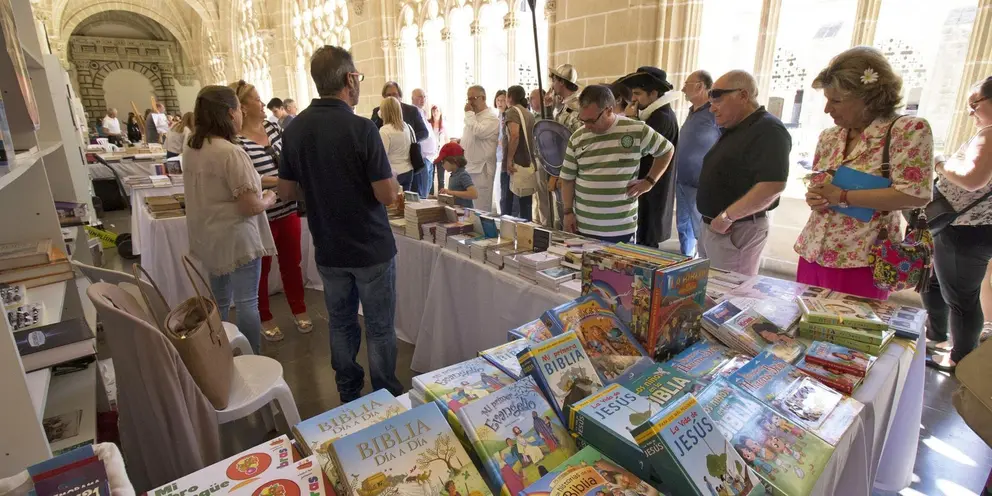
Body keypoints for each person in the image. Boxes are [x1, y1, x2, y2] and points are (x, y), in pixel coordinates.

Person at [278, 45, 403, 401]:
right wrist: (390, 182)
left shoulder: (295, 128)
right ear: (349, 79)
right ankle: (386, 394)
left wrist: (323, 188)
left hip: (329, 246)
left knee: (342, 322)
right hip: (371, 247)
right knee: (379, 327)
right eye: (358, 77)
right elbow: (385, 195)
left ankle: (348, 392)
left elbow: (287, 191)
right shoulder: (362, 128)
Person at [797, 47, 934, 301]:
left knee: (850, 335)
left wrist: (843, 196)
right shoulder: (829, 137)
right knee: (803, 328)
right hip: (813, 251)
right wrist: (816, 197)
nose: (828, 109)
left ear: (868, 98)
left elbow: (916, 195)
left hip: (863, 258)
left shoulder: (907, 130)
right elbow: (820, 184)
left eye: (836, 101)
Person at [183, 85, 276, 354]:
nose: (240, 115)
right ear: (229, 113)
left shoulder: (193, 146)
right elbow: (250, 206)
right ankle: (252, 357)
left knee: (219, 301)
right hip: (237, 239)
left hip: (210, 237)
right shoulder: (230, 152)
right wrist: (269, 198)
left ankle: (221, 353)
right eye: (238, 109)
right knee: (248, 302)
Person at [920, 76, 992, 371]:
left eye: (975, 103)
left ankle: (960, 358)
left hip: (965, 230)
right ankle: (937, 336)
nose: (970, 111)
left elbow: (974, 178)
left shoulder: (990, 134)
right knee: (934, 284)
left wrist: (939, 163)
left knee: (961, 298)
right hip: (964, 227)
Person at [231, 80, 312, 343]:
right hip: (259, 214)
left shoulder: (273, 127)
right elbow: (248, 176)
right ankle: (265, 316)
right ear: (242, 106)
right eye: (256, 99)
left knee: (292, 263)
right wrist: (280, 181)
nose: (262, 103)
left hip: (287, 206)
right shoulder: (236, 140)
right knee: (261, 269)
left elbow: (289, 158)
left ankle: (299, 309)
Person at [697, 70, 791, 276]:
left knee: (731, 296)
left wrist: (727, 217)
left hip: (735, 230)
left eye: (718, 100)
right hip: (716, 227)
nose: (712, 108)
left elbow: (772, 185)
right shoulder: (737, 127)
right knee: (710, 291)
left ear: (743, 95)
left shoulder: (768, 129)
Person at [559, 85, 674, 243]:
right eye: (582, 119)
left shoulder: (636, 130)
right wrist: (567, 212)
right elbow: (567, 178)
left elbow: (666, 150)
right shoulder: (578, 138)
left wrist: (650, 181)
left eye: (591, 120)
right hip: (584, 227)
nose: (586, 126)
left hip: (621, 228)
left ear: (608, 110)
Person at [617, 66, 681, 248]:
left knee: (647, 245)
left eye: (638, 93)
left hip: (652, 193)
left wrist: (631, 121)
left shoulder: (662, 117)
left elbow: (638, 150)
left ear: (653, 93)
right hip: (646, 194)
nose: (634, 99)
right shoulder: (654, 114)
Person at [672, 70, 720, 257]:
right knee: (683, 228)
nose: (683, 88)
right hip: (682, 181)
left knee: (701, 232)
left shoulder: (713, 113)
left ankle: (702, 269)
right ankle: (686, 264)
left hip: (700, 185)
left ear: (700, 86)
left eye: (687, 84)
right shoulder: (693, 112)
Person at [371, 82, 430, 196]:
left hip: (404, 165)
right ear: (383, 97)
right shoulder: (378, 113)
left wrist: (406, 141)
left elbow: (424, 132)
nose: (391, 98)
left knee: (406, 198)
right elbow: (372, 131)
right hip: (400, 168)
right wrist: (379, 116)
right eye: (388, 95)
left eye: (394, 94)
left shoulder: (411, 111)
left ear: (400, 96)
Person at [462, 85, 500, 212]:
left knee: (480, 209)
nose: (470, 103)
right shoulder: (473, 117)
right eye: (468, 99)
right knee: (468, 211)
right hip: (468, 168)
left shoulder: (491, 118)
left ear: (483, 98)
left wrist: (468, 114)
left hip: (481, 170)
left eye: (473, 98)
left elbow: (479, 132)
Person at [502, 85, 536, 220]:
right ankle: (526, 235)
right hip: (527, 162)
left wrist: (509, 159)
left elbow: (515, 135)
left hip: (516, 164)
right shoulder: (528, 113)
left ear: (509, 97)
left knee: (508, 204)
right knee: (525, 206)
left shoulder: (512, 111)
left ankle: (507, 236)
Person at [378, 96, 416, 191]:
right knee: (405, 203)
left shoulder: (385, 130)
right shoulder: (407, 127)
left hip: (393, 173)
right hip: (408, 170)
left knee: (393, 204)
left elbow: (382, 156)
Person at [412, 89, 438, 195]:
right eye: (419, 97)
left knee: (427, 190)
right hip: (422, 157)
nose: (422, 99)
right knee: (422, 191)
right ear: (412, 98)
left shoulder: (422, 112)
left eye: (424, 97)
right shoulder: (413, 112)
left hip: (429, 157)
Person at [428, 105, 447, 190]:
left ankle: (441, 195)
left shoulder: (444, 125)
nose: (435, 113)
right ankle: (430, 195)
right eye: (433, 111)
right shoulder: (428, 123)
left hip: (441, 155)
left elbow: (447, 140)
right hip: (431, 154)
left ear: (440, 112)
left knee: (441, 178)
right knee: (430, 178)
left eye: (437, 111)